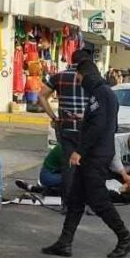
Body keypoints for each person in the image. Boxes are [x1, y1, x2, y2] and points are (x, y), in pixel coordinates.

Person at [42, 58, 130, 258]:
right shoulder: (105, 94)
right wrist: (83, 119)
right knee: (76, 200)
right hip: (97, 153)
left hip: (95, 155)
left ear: (86, 75)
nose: (78, 81)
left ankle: (125, 238)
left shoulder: (101, 93)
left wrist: (80, 151)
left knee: (99, 200)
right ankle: (64, 243)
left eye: (79, 77)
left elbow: (99, 126)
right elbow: (102, 121)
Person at [40, 49, 92, 207]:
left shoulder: (58, 77)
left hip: (66, 128)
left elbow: (42, 96)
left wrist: (54, 117)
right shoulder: (92, 78)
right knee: (88, 166)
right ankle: (88, 203)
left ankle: (67, 204)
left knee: (68, 166)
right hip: (87, 129)